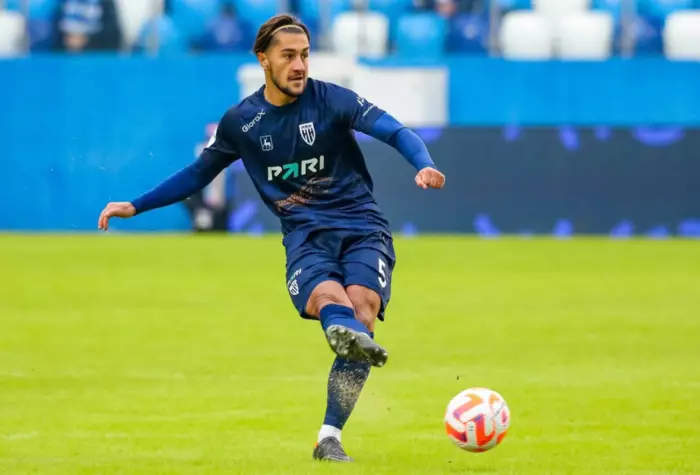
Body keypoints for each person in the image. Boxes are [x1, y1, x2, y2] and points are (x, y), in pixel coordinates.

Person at [97, 14, 445, 462]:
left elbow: (394, 130)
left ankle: (328, 436)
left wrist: (424, 163)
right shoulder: (242, 122)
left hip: (362, 226)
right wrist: (136, 205)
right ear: (263, 59)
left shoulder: (332, 100)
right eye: (288, 56)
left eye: (305, 56)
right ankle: (339, 329)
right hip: (305, 236)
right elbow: (198, 174)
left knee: (363, 311)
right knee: (332, 303)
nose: (299, 65)